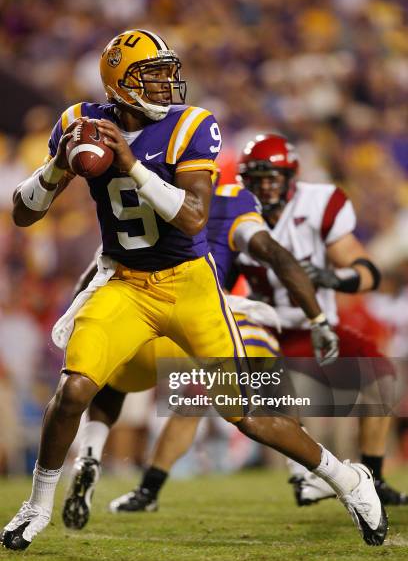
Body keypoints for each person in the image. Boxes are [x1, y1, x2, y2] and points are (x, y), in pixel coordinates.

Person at [1, 30, 386, 551]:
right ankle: (36, 505)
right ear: (119, 82)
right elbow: (24, 215)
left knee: (248, 414)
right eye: (151, 75)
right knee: (73, 392)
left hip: (189, 283)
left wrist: (130, 165)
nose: (166, 84)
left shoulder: (191, 125)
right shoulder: (78, 122)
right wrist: (54, 167)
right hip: (124, 282)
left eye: (167, 72)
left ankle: (350, 481)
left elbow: (193, 218)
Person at [61, 178, 385, 546]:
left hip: (139, 314)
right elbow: (277, 255)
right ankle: (309, 474)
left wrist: (75, 318)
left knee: (130, 387)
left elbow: (99, 267)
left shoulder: (137, 191)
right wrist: (318, 319)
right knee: (254, 394)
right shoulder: (230, 203)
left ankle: (100, 461)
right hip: (206, 317)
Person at [104, 134, 405, 515]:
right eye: (256, 178)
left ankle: (372, 479)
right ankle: (149, 489)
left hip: (313, 327)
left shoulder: (319, 202)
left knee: (379, 376)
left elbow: (367, 272)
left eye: (272, 178)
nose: (264, 186)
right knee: (196, 394)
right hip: (260, 325)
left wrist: (333, 279)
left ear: (290, 176)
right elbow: (214, 277)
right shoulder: (229, 209)